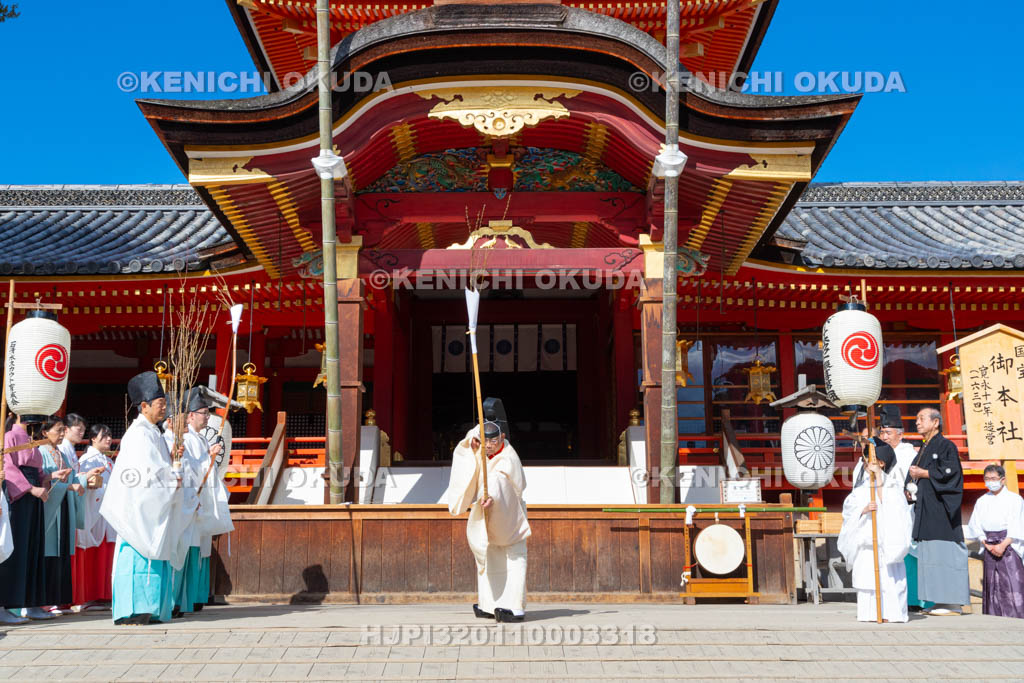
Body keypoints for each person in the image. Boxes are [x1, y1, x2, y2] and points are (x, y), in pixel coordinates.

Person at [101, 371, 197, 625]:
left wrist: (172, 460)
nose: (164, 409)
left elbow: (156, 466)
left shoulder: (152, 431)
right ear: (144, 406)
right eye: (160, 405)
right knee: (137, 554)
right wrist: (171, 475)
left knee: (154, 554)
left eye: (165, 404)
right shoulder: (139, 434)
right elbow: (144, 473)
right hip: (138, 509)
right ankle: (133, 609)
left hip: (151, 505)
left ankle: (152, 607)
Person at [446, 417, 530, 623]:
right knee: (488, 555)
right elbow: (474, 435)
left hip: (509, 513)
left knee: (515, 558)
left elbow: (499, 481)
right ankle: (489, 605)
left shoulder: (508, 458)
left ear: (502, 438)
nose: (490, 446)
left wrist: (490, 495)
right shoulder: (484, 445)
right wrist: (472, 439)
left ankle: (515, 607)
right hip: (489, 512)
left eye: (493, 441)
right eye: (485, 441)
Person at [838, 429, 913, 623]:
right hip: (866, 544)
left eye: (870, 461)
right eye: (865, 461)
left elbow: (896, 511)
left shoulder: (891, 486)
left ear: (881, 463)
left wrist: (879, 478)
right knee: (866, 580)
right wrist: (861, 511)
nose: (865, 465)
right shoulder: (861, 489)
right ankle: (870, 613)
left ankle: (892, 613)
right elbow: (849, 512)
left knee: (889, 581)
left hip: (885, 546)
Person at [905, 407, 969, 615]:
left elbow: (952, 474)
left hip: (942, 512)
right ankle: (938, 601)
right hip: (926, 511)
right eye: (916, 419)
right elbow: (914, 475)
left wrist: (924, 473)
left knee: (945, 555)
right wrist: (909, 489)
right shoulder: (924, 448)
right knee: (930, 556)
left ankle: (952, 603)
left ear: (936, 422)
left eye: (921, 418)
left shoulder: (946, 446)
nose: (917, 422)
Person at [872, 405, 933, 613]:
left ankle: (921, 599)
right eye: (882, 433)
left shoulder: (909, 454)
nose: (885, 437)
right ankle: (900, 599)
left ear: (900, 434)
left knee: (911, 552)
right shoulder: (879, 453)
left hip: (907, 510)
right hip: (885, 510)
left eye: (888, 433)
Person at [0, 415, 51, 624]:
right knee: (16, 548)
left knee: (33, 548)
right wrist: (30, 488)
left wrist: (46, 478)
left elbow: (38, 469)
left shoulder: (32, 438)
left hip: (34, 494)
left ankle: (31, 602)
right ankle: (6, 604)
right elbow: (8, 467)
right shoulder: (10, 436)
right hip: (20, 496)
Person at [37, 415, 85, 615]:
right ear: (44, 432)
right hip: (50, 508)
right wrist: (67, 486)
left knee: (62, 550)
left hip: (63, 506)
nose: (61, 434)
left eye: (62, 430)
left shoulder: (60, 453)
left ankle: (57, 598)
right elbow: (41, 480)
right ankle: (44, 600)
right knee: (47, 552)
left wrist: (82, 479)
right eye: (57, 430)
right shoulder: (40, 452)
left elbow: (71, 477)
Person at [60, 413, 105, 610]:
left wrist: (86, 476)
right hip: (64, 500)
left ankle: (71, 597)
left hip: (73, 500)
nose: (82, 432)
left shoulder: (69, 450)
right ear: (66, 429)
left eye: (83, 429)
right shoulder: (63, 449)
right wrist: (86, 477)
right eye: (78, 428)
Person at [967, 464, 1024, 618]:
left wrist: (1004, 544)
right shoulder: (982, 501)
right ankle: (993, 617)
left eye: (993, 478)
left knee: (1012, 584)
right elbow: (976, 525)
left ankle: (1016, 617)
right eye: (987, 479)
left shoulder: (1014, 499)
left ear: (1003, 479)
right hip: (989, 545)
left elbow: (1018, 525)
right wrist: (986, 543)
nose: (990, 482)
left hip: (1009, 545)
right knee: (992, 586)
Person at [74, 424, 118, 609]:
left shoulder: (105, 460)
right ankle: (91, 595)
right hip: (94, 509)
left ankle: (103, 594)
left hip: (105, 510)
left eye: (109, 435)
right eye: (104, 436)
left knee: (105, 550)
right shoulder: (88, 459)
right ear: (93, 438)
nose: (108, 439)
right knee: (92, 550)